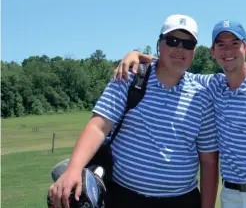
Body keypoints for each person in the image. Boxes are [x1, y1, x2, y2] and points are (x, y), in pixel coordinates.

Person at [113, 20, 246, 208]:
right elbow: (171, 64)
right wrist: (136, 54)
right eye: (221, 45)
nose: (228, 51)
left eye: (235, 44)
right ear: (213, 52)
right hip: (230, 195)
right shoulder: (213, 85)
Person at [48, 14, 219, 208]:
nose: (180, 48)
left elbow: (208, 160)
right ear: (159, 44)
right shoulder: (130, 77)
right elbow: (98, 127)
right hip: (124, 197)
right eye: (172, 41)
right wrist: (73, 170)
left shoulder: (201, 94)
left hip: (182, 200)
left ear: (194, 51)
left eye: (188, 44)